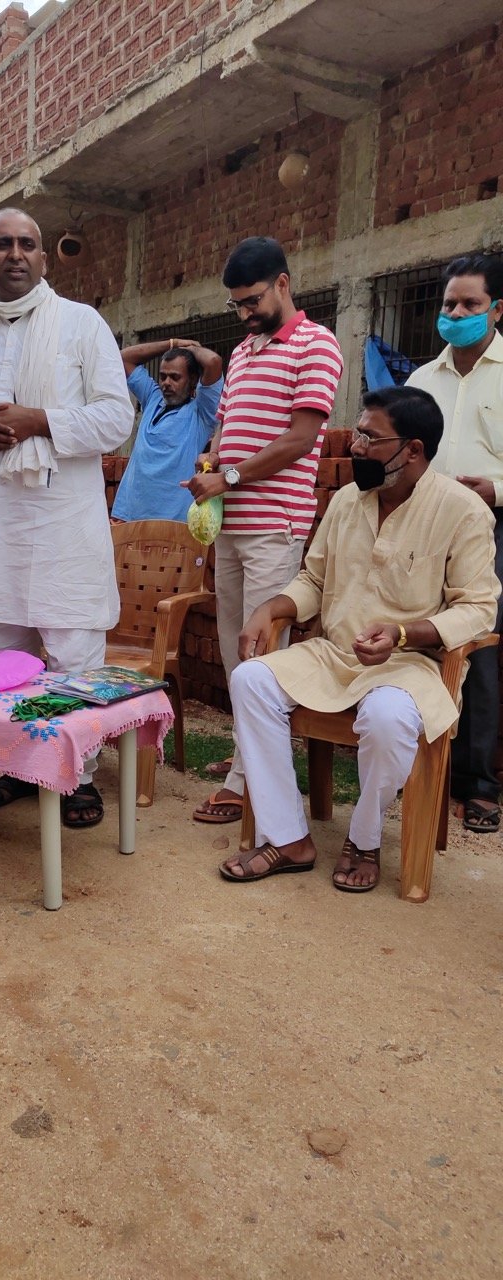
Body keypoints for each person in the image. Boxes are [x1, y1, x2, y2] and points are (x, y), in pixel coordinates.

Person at [218, 386, 499, 893]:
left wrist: (404, 633)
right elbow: (314, 579)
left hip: (411, 665)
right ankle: (287, 837)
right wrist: (269, 609)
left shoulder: (464, 511)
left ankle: (365, 839)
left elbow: (479, 609)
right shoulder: (348, 500)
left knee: (388, 717)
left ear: (413, 449)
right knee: (250, 680)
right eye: (357, 434)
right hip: (334, 654)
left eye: (370, 437)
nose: (356, 446)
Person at [0, 207, 134, 825]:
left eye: (27, 244)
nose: (15, 253)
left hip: (63, 523)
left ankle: (80, 779)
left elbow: (116, 418)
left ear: (44, 258)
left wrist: (41, 420)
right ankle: (20, 767)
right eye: (2, 245)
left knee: (73, 654)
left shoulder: (81, 323)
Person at [182, 237, 343, 824]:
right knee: (233, 648)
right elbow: (225, 426)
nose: (245, 313)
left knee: (262, 651)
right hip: (230, 524)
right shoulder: (244, 351)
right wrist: (210, 460)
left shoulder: (317, 343)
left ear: (282, 283)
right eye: (237, 305)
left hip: (276, 523)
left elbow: (301, 439)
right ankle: (247, 755)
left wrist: (227, 476)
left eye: (252, 301)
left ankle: (250, 778)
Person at [406, 253, 503, 832]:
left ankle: (478, 786)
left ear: (497, 309)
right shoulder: (421, 381)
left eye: (470, 304)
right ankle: (419, 770)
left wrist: (496, 488)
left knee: (478, 649)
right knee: (419, 639)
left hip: (491, 526)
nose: (457, 314)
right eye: (449, 304)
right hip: (427, 527)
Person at [111, 338, 223, 522]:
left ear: (193, 380)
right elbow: (123, 358)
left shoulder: (201, 412)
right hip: (129, 516)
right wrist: (172, 343)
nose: (166, 383)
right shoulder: (152, 398)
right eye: (163, 377)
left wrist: (192, 349)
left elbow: (213, 361)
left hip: (173, 523)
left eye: (175, 377)